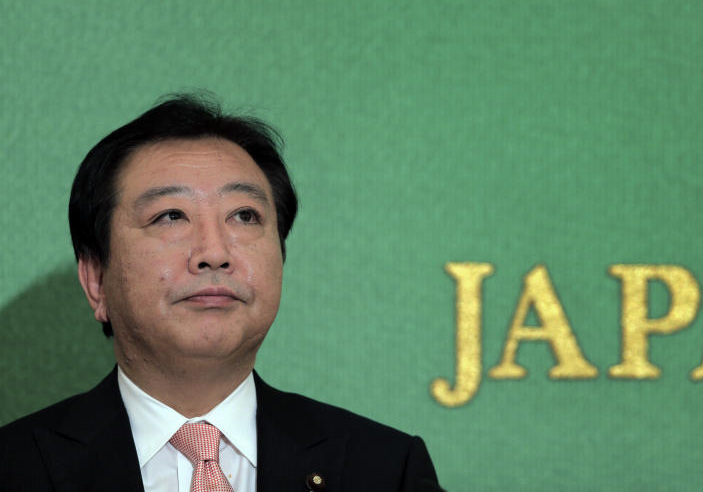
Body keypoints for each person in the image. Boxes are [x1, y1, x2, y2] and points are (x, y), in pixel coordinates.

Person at [0, 94, 441, 491]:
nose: (214, 252)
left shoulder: (384, 469)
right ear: (96, 280)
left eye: (244, 216)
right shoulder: (18, 468)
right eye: (171, 216)